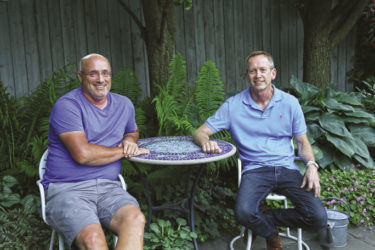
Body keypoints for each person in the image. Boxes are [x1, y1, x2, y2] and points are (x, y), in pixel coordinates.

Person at [193, 51, 327, 250]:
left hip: (286, 169)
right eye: (252, 71)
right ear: (246, 76)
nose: (258, 75)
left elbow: (302, 142)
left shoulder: (290, 103)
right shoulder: (233, 105)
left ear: (273, 73)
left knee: (318, 218)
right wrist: (205, 141)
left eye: (263, 70)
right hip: (255, 170)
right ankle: (271, 235)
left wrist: (311, 165)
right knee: (244, 213)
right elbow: (200, 132)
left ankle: (264, 219)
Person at [42, 53, 148, 249]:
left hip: (109, 188)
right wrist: (124, 151)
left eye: (105, 73)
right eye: (93, 74)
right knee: (92, 239)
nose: (101, 79)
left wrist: (129, 140)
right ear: (80, 77)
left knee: (135, 219)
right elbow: (83, 155)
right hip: (68, 190)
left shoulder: (124, 104)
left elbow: (132, 130)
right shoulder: (67, 106)